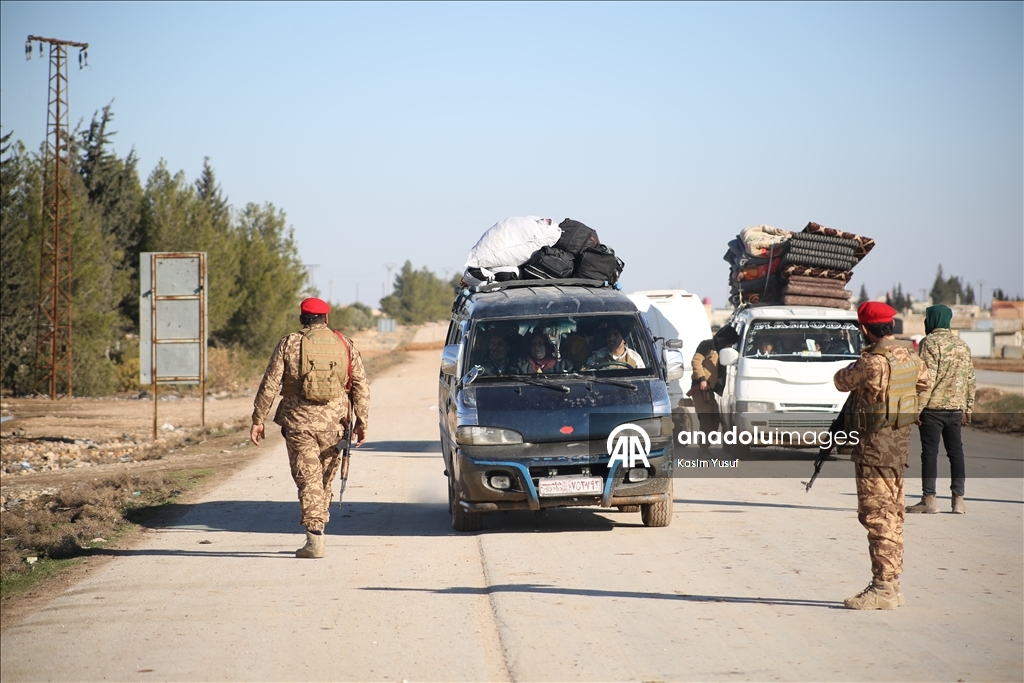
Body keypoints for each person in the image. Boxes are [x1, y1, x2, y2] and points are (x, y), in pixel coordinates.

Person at [250, 297, 370, 559]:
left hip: (298, 424)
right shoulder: (344, 343)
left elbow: (270, 383)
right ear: (326, 319)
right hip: (335, 424)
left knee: (309, 479)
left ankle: (314, 539)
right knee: (322, 479)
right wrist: (362, 421)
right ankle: (318, 529)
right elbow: (360, 384)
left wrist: (258, 418)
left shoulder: (290, 342)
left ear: (302, 319)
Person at [833, 301, 930, 609]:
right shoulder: (911, 357)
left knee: (877, 517)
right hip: (899, 447)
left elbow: (840, 381)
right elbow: (925, 384)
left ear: (865, 329)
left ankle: (883, 588)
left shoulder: (871, 362)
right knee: (893, 515)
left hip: (874, 450)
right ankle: (893, 584)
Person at [907, 304, 975, 515]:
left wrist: (917, 407)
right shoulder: (962, 345)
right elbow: (970, 379)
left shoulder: (930, 343)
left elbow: (927, 378)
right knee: (956, 453)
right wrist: (968, 407)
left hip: (933, 409)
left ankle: (929, 500)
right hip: (955, 408)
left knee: (929, 454)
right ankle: (958, 501)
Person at [688, 326, 739, 452]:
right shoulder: (707, 345)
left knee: (715, 419)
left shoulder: (722, 350)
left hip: (709, 391)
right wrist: (702, 379)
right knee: (706, 420)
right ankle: (703, 449)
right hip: (700, 389)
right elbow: (696, 362)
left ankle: (705, 446)